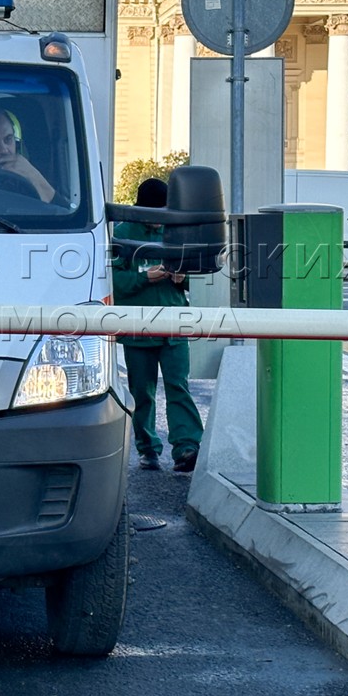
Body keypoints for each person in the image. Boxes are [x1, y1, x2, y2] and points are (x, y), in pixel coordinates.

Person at [111, 176, 202, 473]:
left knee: (179, 386)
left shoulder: (177, 231)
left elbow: (198, 275)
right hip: (137, 329)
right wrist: (144, 277)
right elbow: (113, 281)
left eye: (162, 215)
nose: (157, 223)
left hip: (175, 326)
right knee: (143, 392)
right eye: (152, 217)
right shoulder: (123, 234)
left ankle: (187, 448)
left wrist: (181, 278)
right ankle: (148, 448)